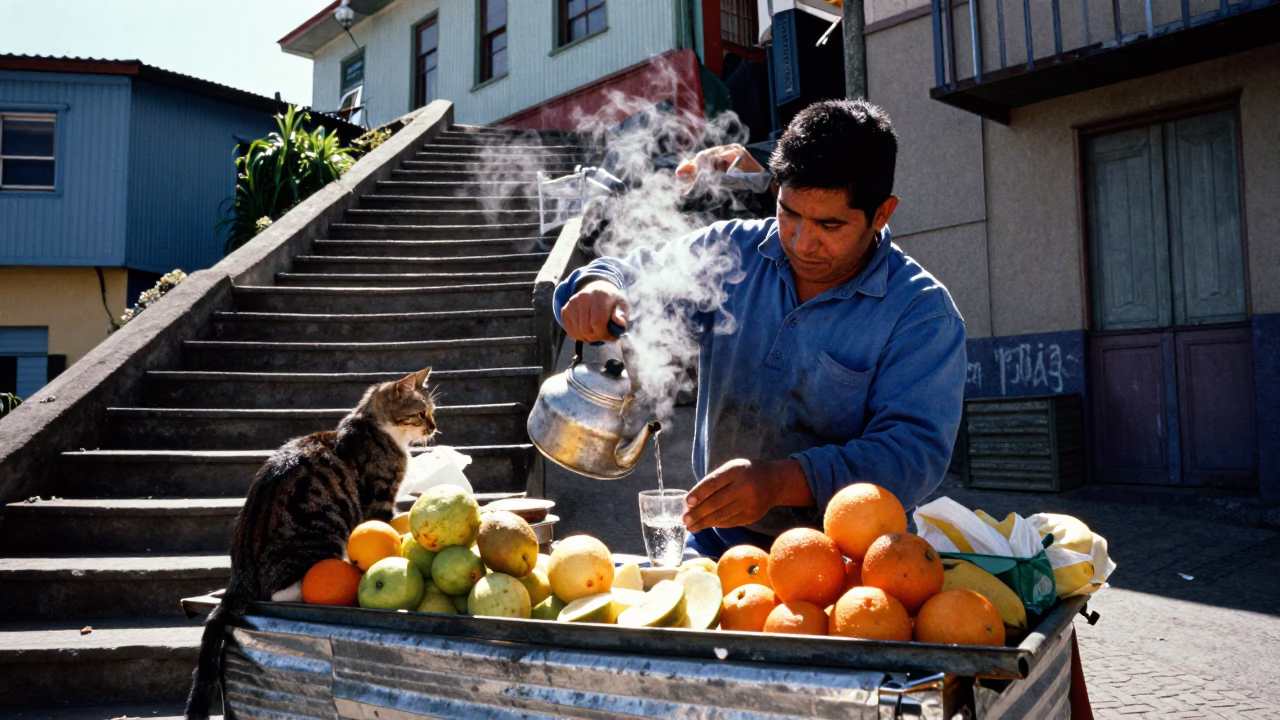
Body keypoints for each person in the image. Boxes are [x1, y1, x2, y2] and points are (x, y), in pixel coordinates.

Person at [553, 99, 967, 558]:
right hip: (716, 542)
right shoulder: (732, 251)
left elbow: (910, 455)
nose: (801, 241)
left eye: (830, 224)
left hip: (854, 557)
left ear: (882, 213)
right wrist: (598, 286)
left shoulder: (923, 314)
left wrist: (781, 482)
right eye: (789, 213)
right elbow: (634, 273)